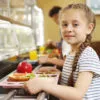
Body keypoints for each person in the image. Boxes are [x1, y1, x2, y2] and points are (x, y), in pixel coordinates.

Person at [24, 3, 100, 100]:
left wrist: (43, 84)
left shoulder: (88, 56)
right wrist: (59, 74)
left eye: (75, 24)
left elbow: (77, 94)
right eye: (64, 24)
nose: (68, 29)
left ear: (89, 28)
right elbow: (73, 81)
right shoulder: (72, 53)